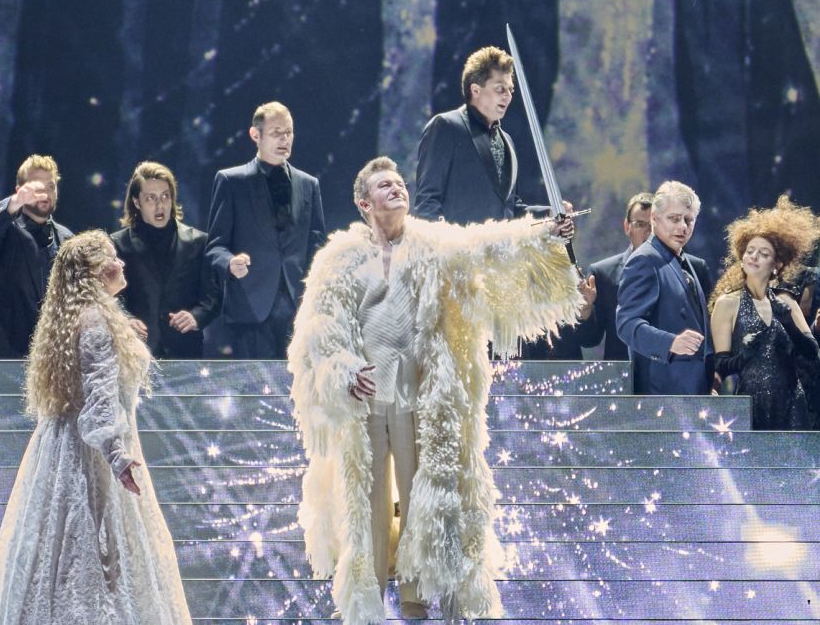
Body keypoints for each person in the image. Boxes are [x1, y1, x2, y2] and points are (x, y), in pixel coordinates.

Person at [288, 157, 581, 623]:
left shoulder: (433, 244)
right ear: (364, 203)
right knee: (366, 505)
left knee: (422, 498)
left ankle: (416, 598)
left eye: (399, 183)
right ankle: (367, 600)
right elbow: (320, 327)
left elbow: (487, 247)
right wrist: (344, 370)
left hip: (418, 398)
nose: (397, 189)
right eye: (384, 186)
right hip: (366, 401)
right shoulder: (339, 259)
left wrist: (544, 233)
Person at [0, 231, 192, 624]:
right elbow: (100, 399)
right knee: (90, 551)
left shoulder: (87, 317)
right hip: (90, 456)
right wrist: (118, 456)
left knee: (56, 551)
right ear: (93, 272)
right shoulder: (95, 322)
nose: (121, 263)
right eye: (112, 258)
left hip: (65, 447)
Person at [206, 101, 326, 358]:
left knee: (298, 381)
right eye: (276, 133)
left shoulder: (309, 184)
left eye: (289, 132)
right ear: (255, 135)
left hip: (299, 309)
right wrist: (230, 263)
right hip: (251, 307)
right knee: (253, 381)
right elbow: (215, 246)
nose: (284, 139)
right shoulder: (231, 181)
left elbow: (317, 244)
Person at [709, 197, 820, 429]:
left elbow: (812, 352)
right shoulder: (727, 304)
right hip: (750, 407)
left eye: (764, 253)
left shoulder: (786, 300)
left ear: (777, 265)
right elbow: (720, 365)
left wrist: (788, 322)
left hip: (792, 406)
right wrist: (744, 356)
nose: (754, 256)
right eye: (750, 251)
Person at [578, 192, 713, 360]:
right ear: (627, 227)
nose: (648, 232)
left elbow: (709, 331)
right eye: (641, 224)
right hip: (625, 372)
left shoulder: (696, 268)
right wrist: (585, 310)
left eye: (653, 224)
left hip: (678, 370)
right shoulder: (602, 274)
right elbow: (589, 340)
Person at [111, 161, 220, 357]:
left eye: (165, 196)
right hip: (137, 352)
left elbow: (213, 296)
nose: (160, 205)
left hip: (185, 352)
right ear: (137, 202)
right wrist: (124, 321)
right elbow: (108, 297)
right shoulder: (118, 245)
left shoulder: (198, 242)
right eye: (151, 198)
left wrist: (196, 317)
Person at [616, 181, 714, 394]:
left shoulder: (684, 260)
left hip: (693, 390)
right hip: (663, 393)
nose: (683, 227)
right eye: (674, 219)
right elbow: (627, 324)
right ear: (654, 218)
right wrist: (671, 343)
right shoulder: (644, 260)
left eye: (688, 220)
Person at [413, 45, 523, 223]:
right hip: (457, 241)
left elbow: (511, 208)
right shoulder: (446, 126)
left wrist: (551, 215)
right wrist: (441, 240)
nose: (508, 96)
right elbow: (428, 203)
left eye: (511, 90)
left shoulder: (507, 141)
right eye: (500, 89)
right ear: (476, 90)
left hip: (504, 241)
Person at [0, 154, 73, 358]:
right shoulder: (5, 229)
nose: (45, 193)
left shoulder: (68, 238)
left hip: (52, 353)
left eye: (51, 186)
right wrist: (16, 201)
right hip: (2, 349)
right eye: (37, 186)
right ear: (19, 190)